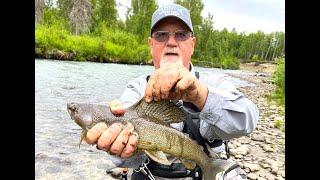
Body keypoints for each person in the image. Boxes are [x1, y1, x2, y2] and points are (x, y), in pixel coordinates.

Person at [84, 3, 259, 180]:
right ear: (151, 45)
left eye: (181, 35)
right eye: (161, 35)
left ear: (192, 44)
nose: (171, 42)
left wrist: (200, 95)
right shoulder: (136, 89)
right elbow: (124, 161)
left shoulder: (215, 82)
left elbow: (248, 122)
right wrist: (118, 151)